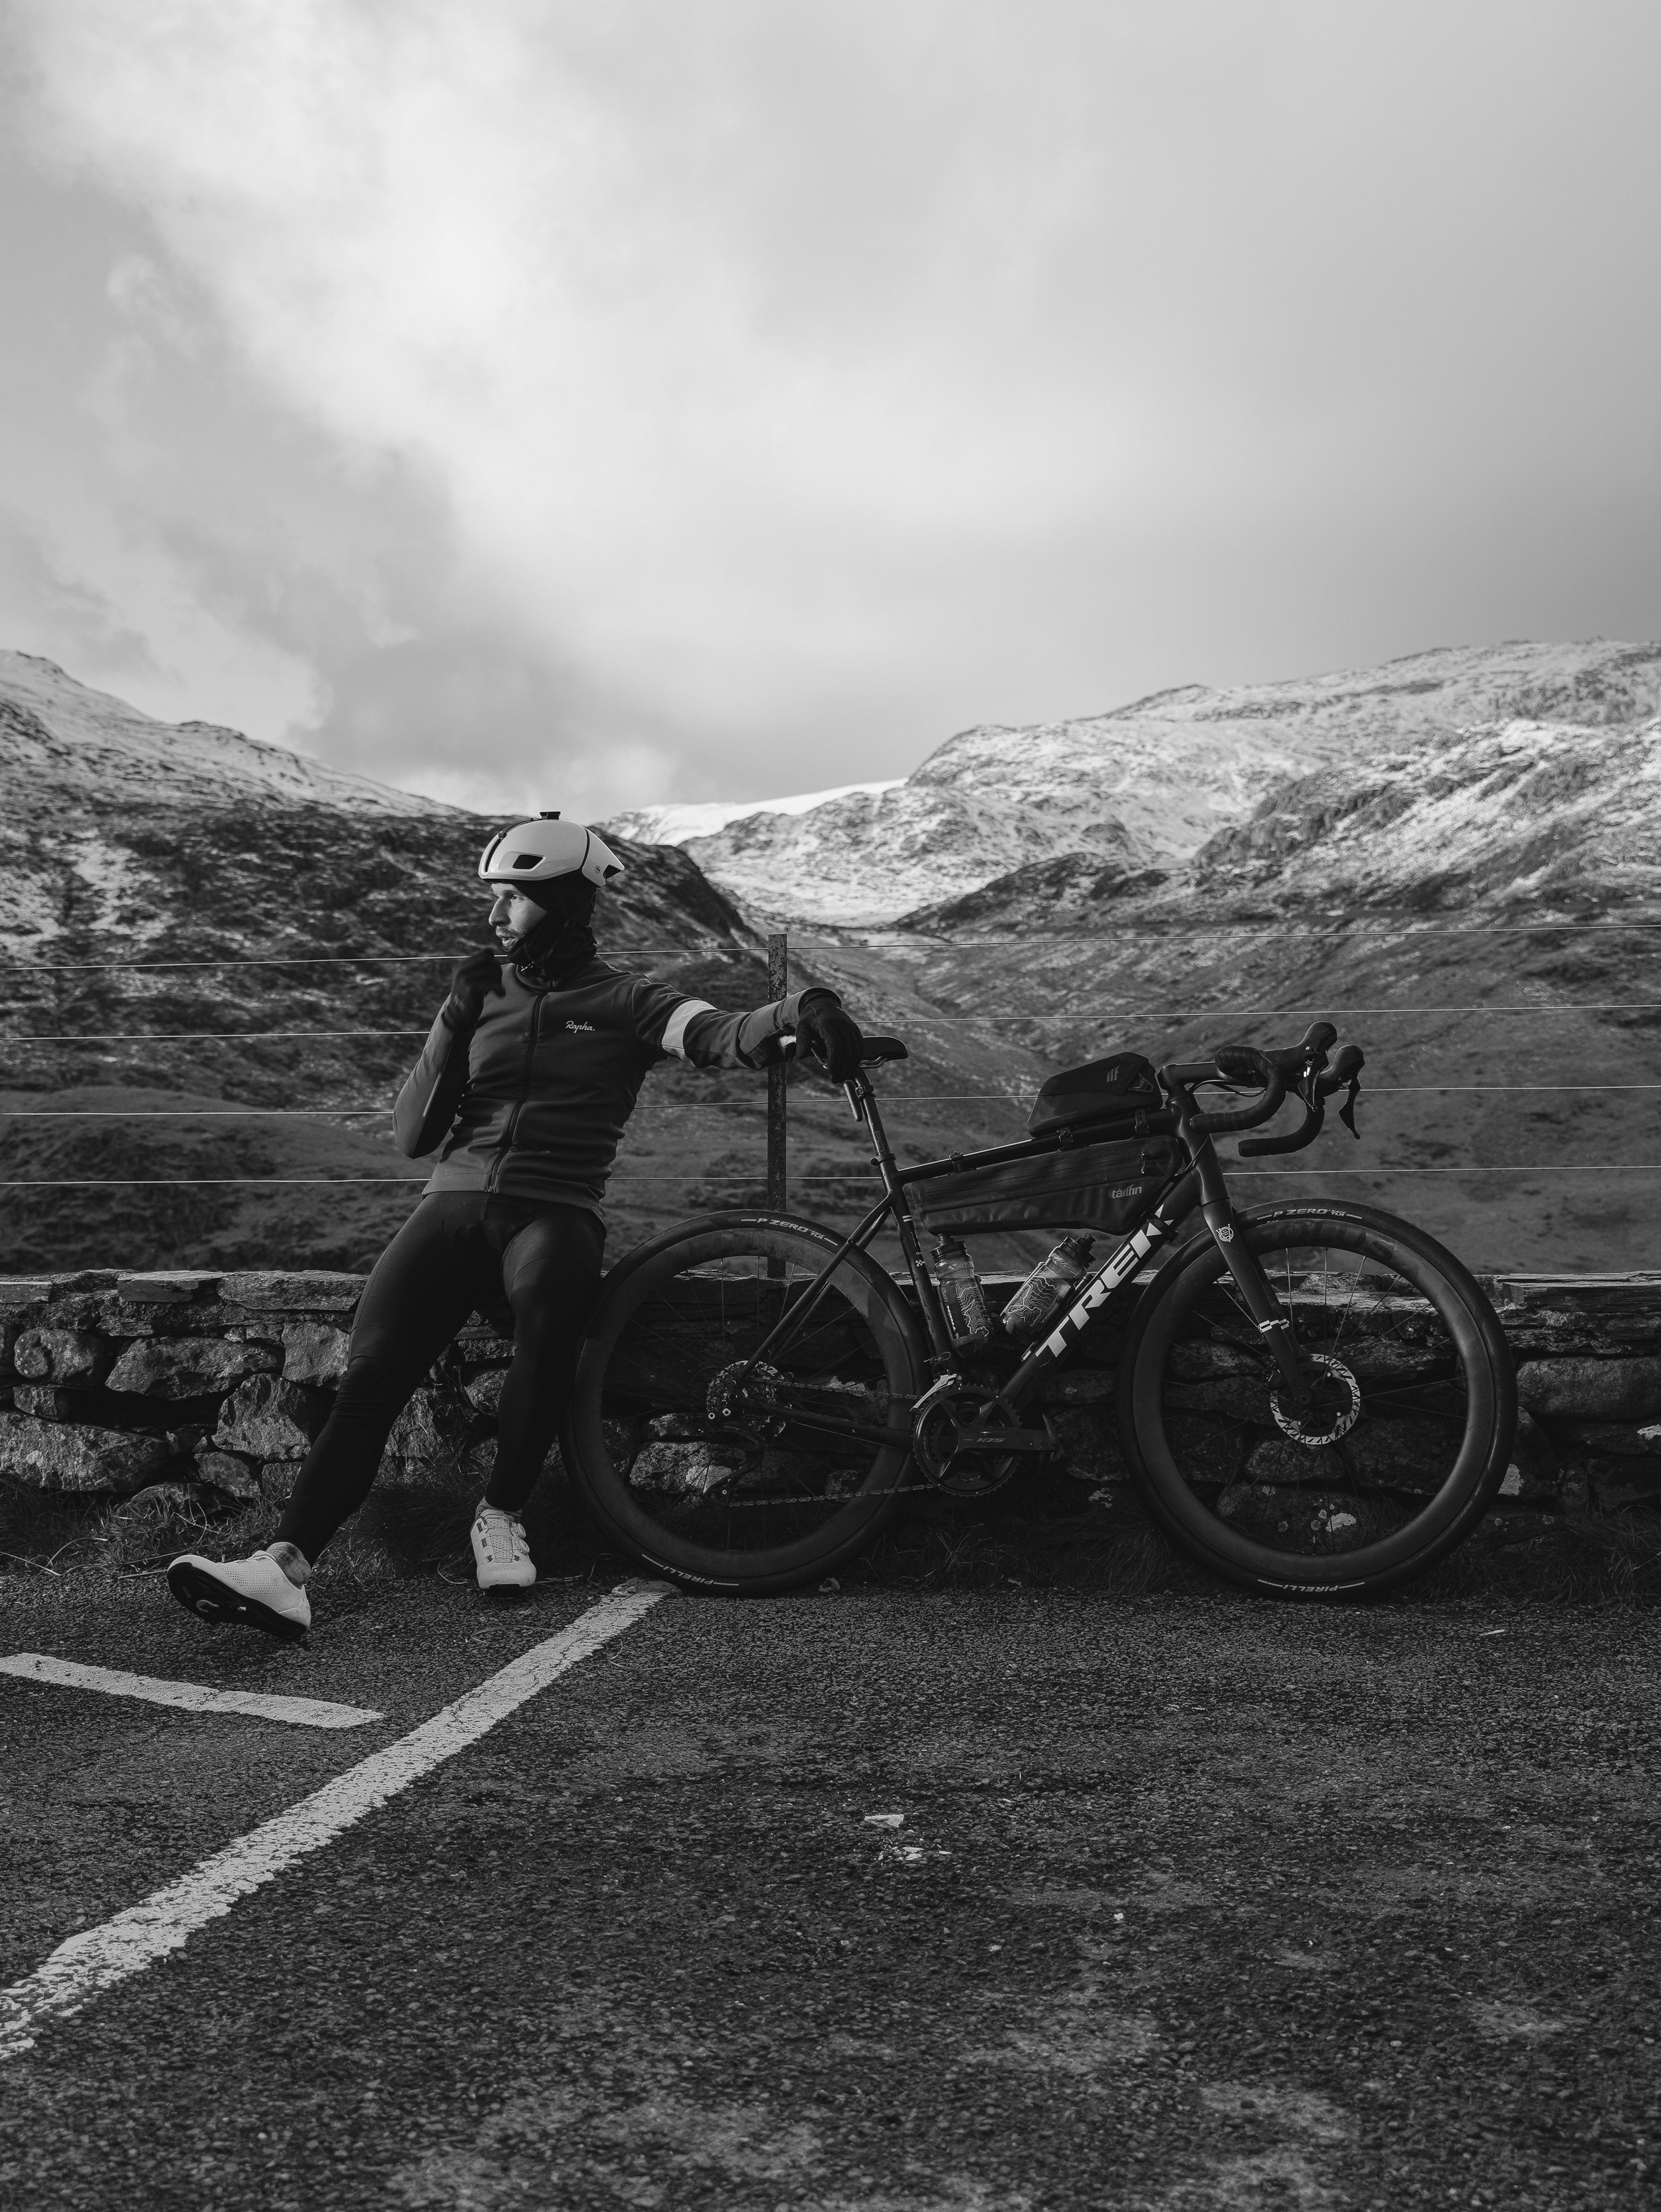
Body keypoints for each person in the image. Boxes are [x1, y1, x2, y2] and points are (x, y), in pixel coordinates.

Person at [166, 812, 865, 1641]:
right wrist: (452, 1025)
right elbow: (412, 1137)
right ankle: (282, 1569)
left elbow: (717, 1035)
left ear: (567, 904)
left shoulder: (626, 999)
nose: (496, 916)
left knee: (548, 1328)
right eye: (495, 899)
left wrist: (804, 1006)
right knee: (370, 1384)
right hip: (450, 1206)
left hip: (554, 1212)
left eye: (515, 899)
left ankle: (499, 1515)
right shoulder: (479, 993)